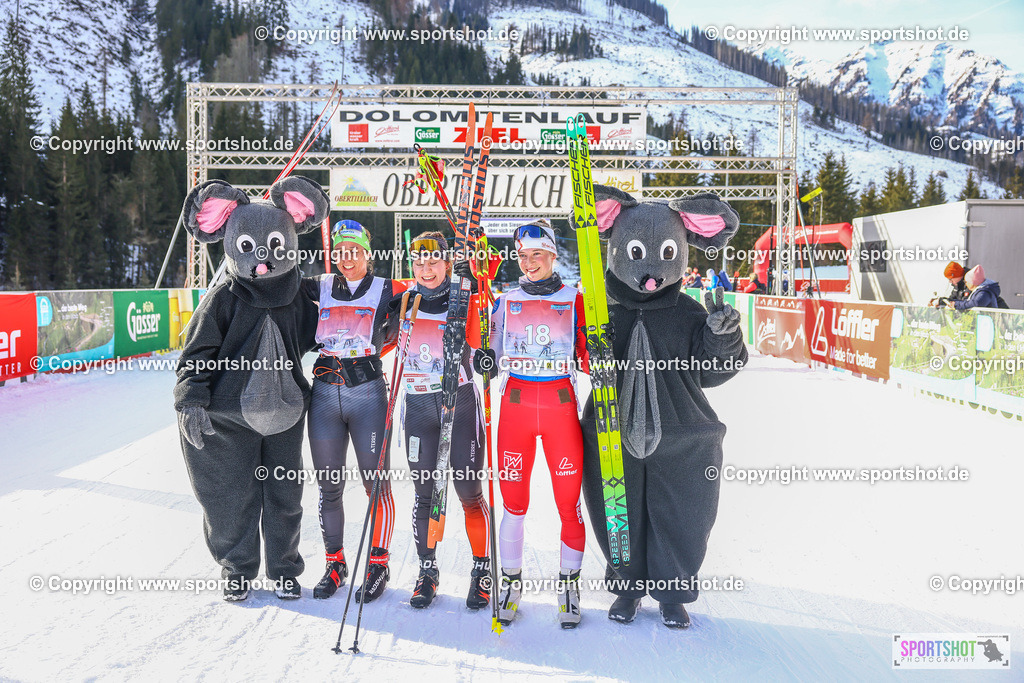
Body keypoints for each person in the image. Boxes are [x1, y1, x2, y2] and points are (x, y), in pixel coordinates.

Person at [473, 219, 590, 629]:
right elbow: (490, 348)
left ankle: (569, 586)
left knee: (568, 506)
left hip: (560, 409)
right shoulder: (504, 300)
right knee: (514, 505)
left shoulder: (575, 299)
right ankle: (511, 583)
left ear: (553, 254)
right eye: (522, 256)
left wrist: (601, 348)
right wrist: (483, 359)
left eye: (536, 254)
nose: (528, 263)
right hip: (516, 409)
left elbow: (588, 355)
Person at [302, 220, 400, 602]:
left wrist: (467, 275)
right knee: (329, 486)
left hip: (367, 395)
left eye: (354, 251)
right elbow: (277, 283)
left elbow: (435, 291)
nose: (347, 258)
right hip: (325, 394)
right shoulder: (322, 286)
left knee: (376, 484)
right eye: (340, 251)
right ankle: (335, 563)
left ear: (367, 253)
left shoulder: (386, 288)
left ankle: (378, 564)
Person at [397, 232, 492, 609]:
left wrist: (475, 278)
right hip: (418, 408)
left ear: (447, 262)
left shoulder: (467, 295)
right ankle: (427, 571)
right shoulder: (403, 301)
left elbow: (485, 336)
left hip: (461, 404)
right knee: (424, 496)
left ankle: (482, 571)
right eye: (419, 262)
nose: (425, 268)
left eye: (433, 260)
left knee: (469, 494)